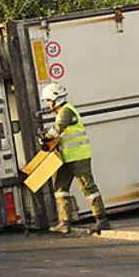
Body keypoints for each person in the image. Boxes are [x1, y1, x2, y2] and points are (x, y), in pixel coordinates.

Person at [40, 82, 110, 234]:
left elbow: (58, 129)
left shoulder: (66, 111)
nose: (48, 104)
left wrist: (45, 136)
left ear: (55, 98)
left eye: (48, 100)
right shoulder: (61, 112)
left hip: (79, 156)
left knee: (87, 187)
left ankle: (101, 220)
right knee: (60, 188)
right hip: (66, 158)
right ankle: (64, 222)